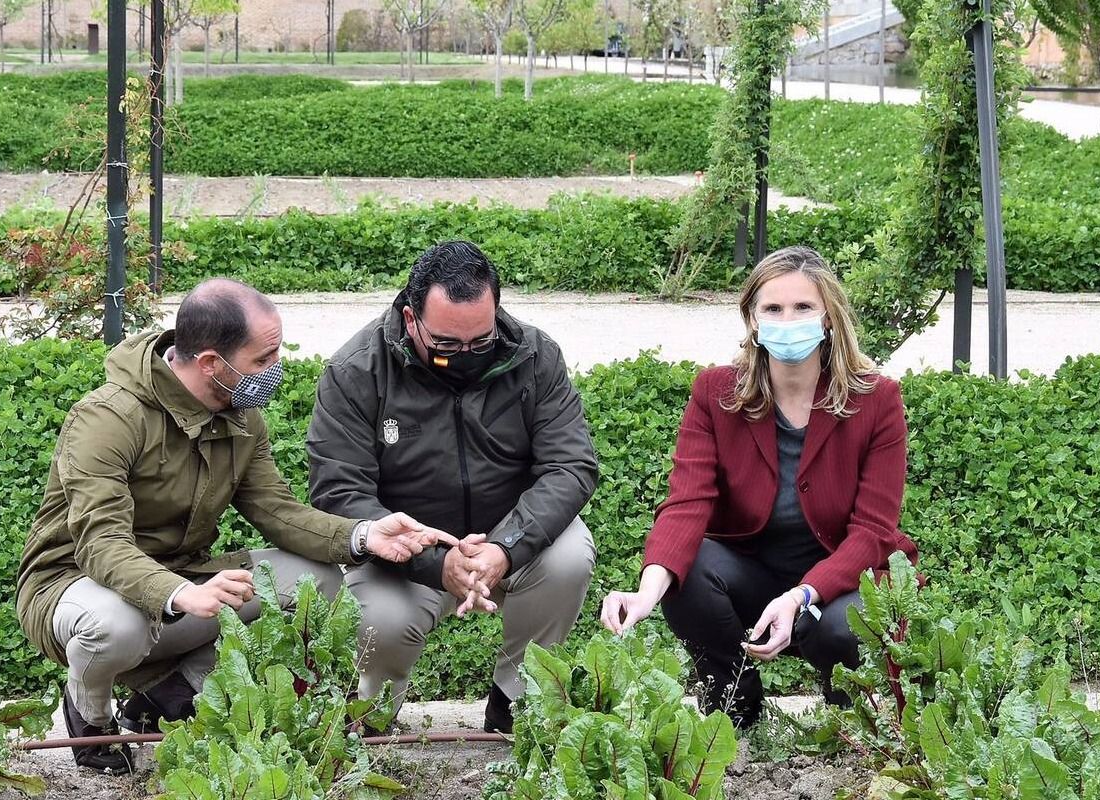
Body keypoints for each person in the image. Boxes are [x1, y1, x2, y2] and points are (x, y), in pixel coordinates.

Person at [16, 279, 455, 774]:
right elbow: (101, 545)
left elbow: (278, 512)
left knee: (323, 581)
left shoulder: (242, 415)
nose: (276, 371)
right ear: (209, 363)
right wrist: (181, 592)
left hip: (181, 582)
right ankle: (91, 719)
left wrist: (363, 536)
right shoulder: (107, 418)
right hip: (76, 586)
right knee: (118, 624)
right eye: (263, 359)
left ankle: (171, 692)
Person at [599, 245, 920, 729]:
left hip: (840, 582)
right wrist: (646, 593)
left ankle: (852, 725)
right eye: (772, 308)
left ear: (829, 318)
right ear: (752, 319)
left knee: (844, 628)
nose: (787, 320)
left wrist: (801, 596)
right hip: (754, 571)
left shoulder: (877, 400)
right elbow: (687, 503)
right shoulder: (715, 393)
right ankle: (735, 707)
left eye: (803, 308)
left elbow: (874, 532)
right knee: (686, 571)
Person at [307, 241, 598, 734]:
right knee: (384, 622)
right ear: (410, 317)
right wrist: (433, 560)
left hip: (507, 536)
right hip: (403, 550)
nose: (463, 357)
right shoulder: (355, 371)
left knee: (570, 556)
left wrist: (506, 547)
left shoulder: (536, 355)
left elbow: (570, 467)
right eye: (445, 346)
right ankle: (374, 716)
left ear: (496, 312)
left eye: (479, 343)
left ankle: (515, 702)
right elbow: (338, 490)